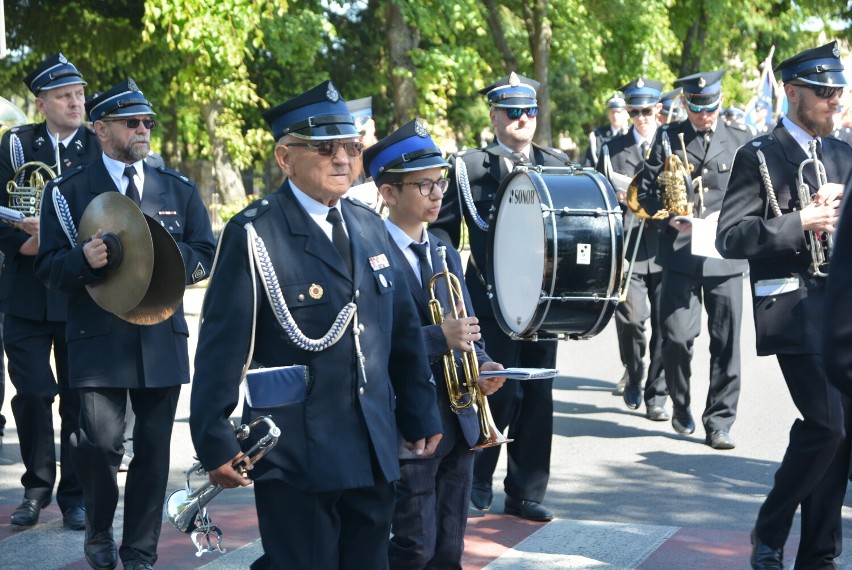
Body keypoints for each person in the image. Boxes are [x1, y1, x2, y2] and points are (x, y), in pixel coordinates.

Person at [188, 81, 442, 569]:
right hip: (298, 451)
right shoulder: (256, 232)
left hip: (371, 444)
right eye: (326, 149)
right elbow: (222, 347)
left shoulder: (369, 225)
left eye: (350, 147)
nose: (344, 159)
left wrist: (419, 407)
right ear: (286, 158)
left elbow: (402, 328)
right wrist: (214, 437)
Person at [34, 78, 216, 570]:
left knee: (154, 454)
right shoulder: (67, 192)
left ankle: (139, 552)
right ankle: (97, 528)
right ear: (100, 128)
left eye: (148, 123)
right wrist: (82, 260)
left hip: (160, 336)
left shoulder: (177, 187)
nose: (143, 130)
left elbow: (204, 252)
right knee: (98, 445)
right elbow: (48, 268)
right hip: (97, 338)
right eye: (131, 122)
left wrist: (164, 260)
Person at [718, 41, 852, 570]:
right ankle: (770, 527)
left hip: (841, 307)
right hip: (793, 307)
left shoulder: (844, 153)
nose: (833, 102)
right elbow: (730, 236)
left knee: (842, 436)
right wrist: (801, 222)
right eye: (823, 93)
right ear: (791, 92)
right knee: (827, 425)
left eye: (838, 92)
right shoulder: (760, 155)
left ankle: (819, 552)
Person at [363, 118, 506, 569]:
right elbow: (369, 340)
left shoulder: (444, 248)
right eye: (423, 185)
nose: (437, 194)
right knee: (414, 544)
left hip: (459, 416)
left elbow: (463, 322)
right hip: (410, 422)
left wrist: (482, 364)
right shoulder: (368, 253)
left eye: (440, 182)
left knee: (449, 548)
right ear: (388, 193)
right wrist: (437, 338)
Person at [430, 71, 571, 522]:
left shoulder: (555, 161)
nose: (522, 119)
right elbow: (442, 237)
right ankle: (476, 480)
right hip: (488, 299)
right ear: (494, 115)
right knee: (491, 389)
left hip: (542, 303)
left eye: (529, 110)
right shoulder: (469, 167)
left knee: (537, 398)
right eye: (513, 112)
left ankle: (526, 491)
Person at [0, 52, 102, 531]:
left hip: (81, 292)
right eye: (64, 96)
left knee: (79, 400)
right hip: (25, 291)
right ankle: (37, 488)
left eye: (79, 94)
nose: (76, 103)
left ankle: (75, 497)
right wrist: (25, 243)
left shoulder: (100, 145)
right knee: (34, 392)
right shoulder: (15, 145)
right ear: (41, 102)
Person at [635, 69, 750, 450]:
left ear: (720, 100)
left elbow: (752, 197)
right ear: (686, 104)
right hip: (681, 252)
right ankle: (680, 404)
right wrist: (670, 214)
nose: (705, 114)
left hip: (725, 253)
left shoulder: (741, 140)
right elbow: (647, 193)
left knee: (726, 341)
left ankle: (719, 421)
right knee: (676, 338)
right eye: (698, 108)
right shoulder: (668, 137)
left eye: (711, 106)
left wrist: (731, 220)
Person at [595, 77, 668, 421]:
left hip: (667, 246)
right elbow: (598, 196)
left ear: (658, 110)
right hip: (629, 247)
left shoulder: (672, 143)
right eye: (635, 111)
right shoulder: (612, 148)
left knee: (667, 326)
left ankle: (658, 393)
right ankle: (634, 373)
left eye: (647, 111)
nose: (641, 117)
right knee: (632, 321)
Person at [582, 95, 629, 166]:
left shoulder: (632, 133)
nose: (615, 115)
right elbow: (588, 164)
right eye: (612, 112)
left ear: (627, 113)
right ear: (608, 114)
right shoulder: (598, 135)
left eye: (618, 112)